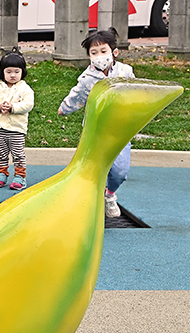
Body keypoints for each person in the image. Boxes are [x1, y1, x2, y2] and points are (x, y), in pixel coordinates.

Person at [58, 27, 135, 218]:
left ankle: (109, 195)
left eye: (103, 51)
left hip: (120, 129)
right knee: (94, 168)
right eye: (94, 53)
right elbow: (77, 96)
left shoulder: (125, 71)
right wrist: (65, 108)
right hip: (96, 131)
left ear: (114, 52)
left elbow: (136, 92)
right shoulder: (87, 78)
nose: (99, 56)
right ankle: (90, 202)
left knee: (119, 172)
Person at [0, 50, 35, 191]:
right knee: (1, 153)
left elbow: (28, 104)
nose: (12, 75)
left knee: (18, 153)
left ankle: (20, 177)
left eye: (16, 71)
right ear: (2, 72)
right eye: (8, 72)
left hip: (16, 128)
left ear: (22, 72)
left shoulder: (25, 89)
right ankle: (2, 174)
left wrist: (13, 107)